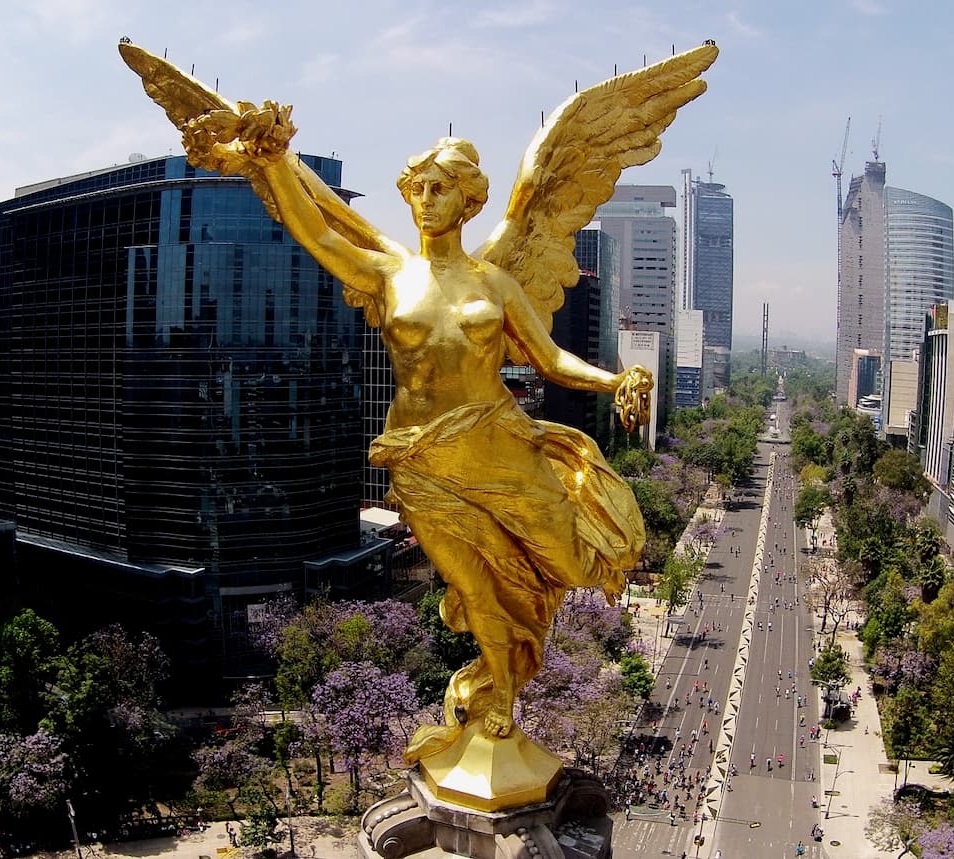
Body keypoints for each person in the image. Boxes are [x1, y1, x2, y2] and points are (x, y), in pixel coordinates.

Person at [122, 43, 715, 765]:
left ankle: (519, 655)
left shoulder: (497, 281)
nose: (426, 199)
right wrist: (272, 160)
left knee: (565, 558)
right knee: (472, 584)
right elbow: (313, 226)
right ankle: (498, 698)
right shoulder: (387, 273)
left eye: (440, 188)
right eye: (419, 188)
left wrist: (613, 380)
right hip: (421, 459)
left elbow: (547, 358)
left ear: (468, 199)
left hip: (497, 444)